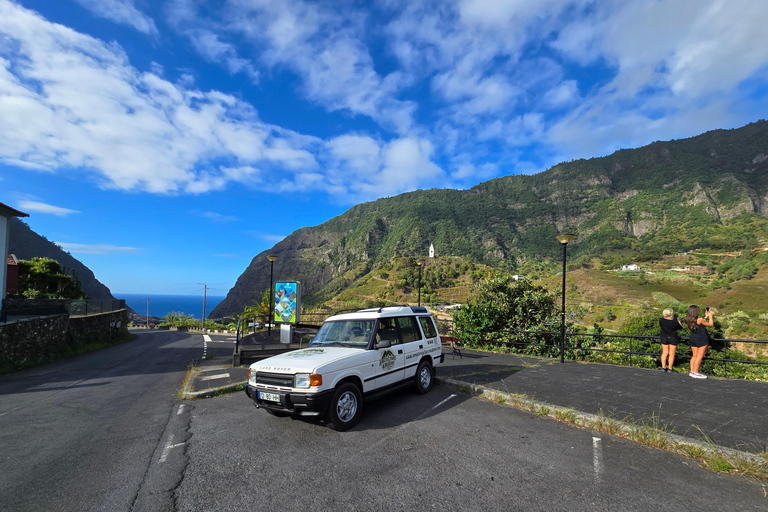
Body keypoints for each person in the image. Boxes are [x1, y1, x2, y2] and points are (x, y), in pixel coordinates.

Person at [685, 305, 714, 379]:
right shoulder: (700, 319)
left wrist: (705, 317)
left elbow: (699, 324)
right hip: (701, 339)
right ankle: (696, 372)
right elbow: (711, 324)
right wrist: (711, 316)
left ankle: (692, 371)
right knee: (699, 356)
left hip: (693, 338)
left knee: (694, 355)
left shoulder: (687, 320)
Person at [658, 308, 682, 373]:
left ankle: (663, 367)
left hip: (664, 337)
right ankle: (670, 368)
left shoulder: (661, 320)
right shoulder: (674, 322)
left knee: (664, 353)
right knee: (672, 354)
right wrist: (678, 320)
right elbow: (680, 327)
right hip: (673, 337)